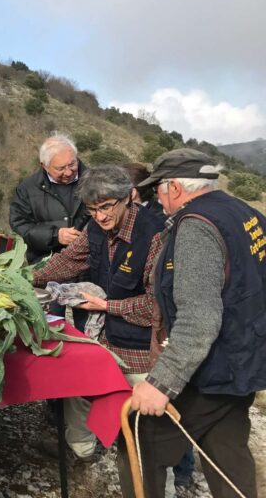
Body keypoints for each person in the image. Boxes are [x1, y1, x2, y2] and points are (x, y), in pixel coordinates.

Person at [126, 148, 266, 498]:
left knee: (142, 436)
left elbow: (200, 317)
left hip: (212, 368)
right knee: (227, 451)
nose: (156, 198)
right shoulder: (247, 213)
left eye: (158, 189)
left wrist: (161, 383)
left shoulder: (196, 226)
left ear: (174, 187)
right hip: (243, 363)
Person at [33, 165, 165, 462]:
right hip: (103, 335)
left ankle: (149, 471)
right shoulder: (95, 227)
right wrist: (25, 277)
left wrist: (109, 306)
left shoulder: (154, 235)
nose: (100, 216)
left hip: (139, 346)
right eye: (93, 210)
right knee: (78, 385)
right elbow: (68, 261)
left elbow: (158, 306)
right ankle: (81, 450)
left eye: (106, 207)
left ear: (129, 197)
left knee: (143, 423)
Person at [122, 160, 196, 494]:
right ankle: (182, 472)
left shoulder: (166, 227)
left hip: (167, 336)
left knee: (173, 413)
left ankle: (181, 471)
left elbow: (168, 300)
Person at [10, 133, 90, 264]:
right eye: (61, 168)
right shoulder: (27, 189)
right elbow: (20, 226)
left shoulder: (94, 181)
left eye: (72, 164)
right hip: (45, 265)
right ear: (44, 166)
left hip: (87, 264)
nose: (68, 172)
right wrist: (55, 236)